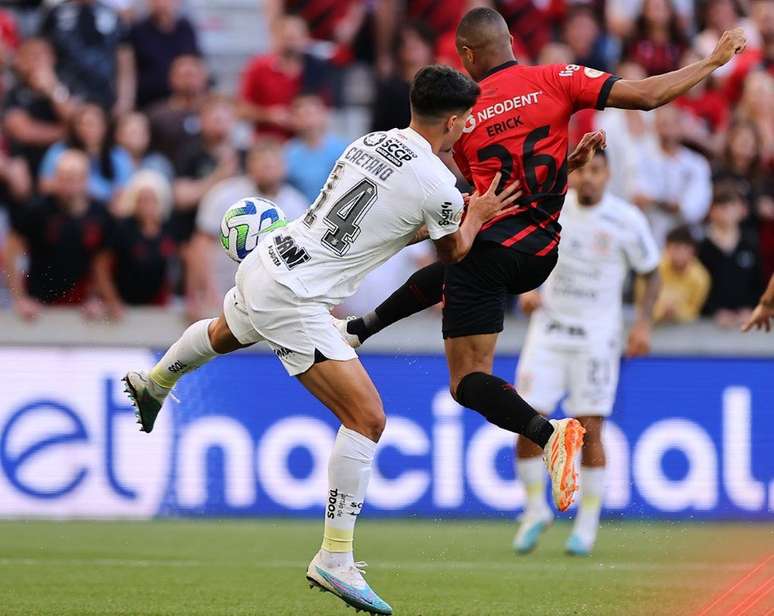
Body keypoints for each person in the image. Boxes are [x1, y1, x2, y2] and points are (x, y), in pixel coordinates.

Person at [122, 65, 530, 615]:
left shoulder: (371, 142)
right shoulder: (436, 182)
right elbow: (453, 253)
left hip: (272, 260)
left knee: (224, 333)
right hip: (297, 295)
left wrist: (453, 215)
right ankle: (335, 558)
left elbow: (384, 220)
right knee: (367, 418)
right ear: (454, 122)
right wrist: (475, 213)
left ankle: (156, 380)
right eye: (465, 124)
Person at [340, 10, 746, 507]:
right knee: (451, 266)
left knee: (467, 380)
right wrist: (711, 62)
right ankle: (359, 329)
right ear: (511, 40)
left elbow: (476, 185)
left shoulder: (462, 115)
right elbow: (646, 97)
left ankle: (548, 433)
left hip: (491, 248)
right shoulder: (558, 77)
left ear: (466, 55)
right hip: (542, 253)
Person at [512, 150, 660, 557]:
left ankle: (587, 526)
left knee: (591, 427)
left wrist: (643, 323)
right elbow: (524, 256)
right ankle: (534, 509)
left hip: (596, 338)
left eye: (596, 171)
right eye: (582, 171)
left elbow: (652, 271)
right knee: (524, 419)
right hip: (548, 331)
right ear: (572, 174)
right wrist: (527, 289)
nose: (589, 179)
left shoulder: (626, 219)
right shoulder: (551, 209)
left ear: (608, 174)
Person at [186, 139, 307, 319]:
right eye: (262, 163)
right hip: (220, 293)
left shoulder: (297, 206)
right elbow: (201, 246)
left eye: (273, 164)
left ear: (284, 167)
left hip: (272, 301)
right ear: (250, 166)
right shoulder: (225, 195)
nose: (268, 169)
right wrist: (196, 294)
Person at [5, 149, 110, 320]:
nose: (69, 185)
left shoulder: (101, 215)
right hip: (38, 308)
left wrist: (98, 298)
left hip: (82, 309)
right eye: (64, 177)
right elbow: (10, 253)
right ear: (55, 178)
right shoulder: (36, 211)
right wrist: (20, 298)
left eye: (75, 178)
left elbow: (103, 263)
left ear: (86, 179)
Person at [93, 170, 177, 318]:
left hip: (157, 304)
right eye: (142, 200)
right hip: (123, 302)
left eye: (153, 200)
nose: (148, 206)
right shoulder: (121, 228)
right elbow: (101, 266)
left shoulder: (169, 228)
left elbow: (187, 257)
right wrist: (112, 300)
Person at [631, 104, 712, 246]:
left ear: (681, 126)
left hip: (686, 242)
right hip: (651, 238)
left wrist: (660, 202)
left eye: (672, 123)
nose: (667, 129)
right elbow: (638, 196)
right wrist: (669, 204)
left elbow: (696, 207)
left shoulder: (696, 164)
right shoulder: (640, 157)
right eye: (662, 124)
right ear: (653, 127)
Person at [40, 0, 135, 115]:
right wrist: (58, 96)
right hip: (67, 99)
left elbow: (125, 58)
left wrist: (124, 100)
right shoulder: (55, 15)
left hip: (108, 99)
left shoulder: (111, 15)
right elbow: (42, 54)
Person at [38, 102, 134, 206]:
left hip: (107, 213)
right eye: (82, 124)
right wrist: (73, 187)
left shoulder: (117, 155)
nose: (87, 129)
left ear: (105, 126)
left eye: (93, 124)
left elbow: (127, 191)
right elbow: (45, 186)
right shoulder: (59, 150)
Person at [2, 38, 74, 176]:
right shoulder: (14, 92)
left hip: (66, 161)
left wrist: (53, 91)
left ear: (53, 58)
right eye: (33, 55)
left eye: (44, 55)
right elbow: (24, 132)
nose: (39, 62)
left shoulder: (67, 84)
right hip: (28, 162)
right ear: (20, 61)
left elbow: (78, 121)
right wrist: (68, 133)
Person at [698, 185, 762, 328]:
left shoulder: (750, 244)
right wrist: (714, 311)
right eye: (721, 205)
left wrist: (750, 308)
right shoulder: (702, 247)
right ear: (711, 210)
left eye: (732, 204)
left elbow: (758, 282)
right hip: (707, 325)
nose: (727, 210)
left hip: (746, 321)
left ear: (742, 210)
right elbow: (695, 285)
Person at [128, 0, 200, 109]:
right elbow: (129, 69)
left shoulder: (186, 29)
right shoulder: (138, 31)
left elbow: (194, 63)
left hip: (180, 101)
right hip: (147, 102)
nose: (162, 3)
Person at [638, 225, 710, 324]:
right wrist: (660, 312)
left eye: (685, 249)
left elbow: (694, 310)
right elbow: (640, 302)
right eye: (676, 248)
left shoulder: (700, 277)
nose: (681, 254)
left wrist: (677, 313)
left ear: (694, 251)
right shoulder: (652, 269)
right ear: (666, 248)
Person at [146, 54, 209, 164]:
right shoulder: (157, 115)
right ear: (172, 78)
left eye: (193, 75)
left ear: (204, 77)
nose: (189, 80)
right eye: (184, 75)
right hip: (166, 170)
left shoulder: (215, 110)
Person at [284, 94, 347, 203]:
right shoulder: (287, 153)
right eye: (301, 115)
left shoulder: (343, 149)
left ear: (324, 115)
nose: (308, 120)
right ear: (294, 119)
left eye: (311, 113)